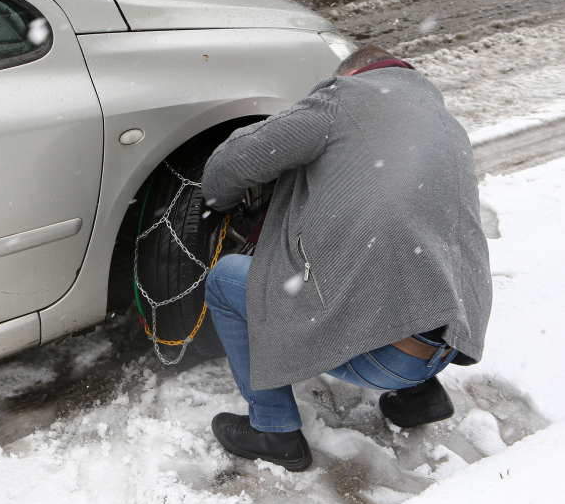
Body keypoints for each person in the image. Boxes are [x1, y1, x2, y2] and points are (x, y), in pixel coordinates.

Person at [200, 46, 492, 472]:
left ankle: (273, 430)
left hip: (384, 357)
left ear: (351, 74)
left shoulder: (343, 98)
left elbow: (232, 163)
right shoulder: (445, 126)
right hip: (447, 342)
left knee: (226, 280)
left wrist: (219, 202)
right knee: (410, 245)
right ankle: (419, 396)